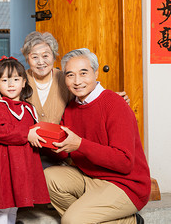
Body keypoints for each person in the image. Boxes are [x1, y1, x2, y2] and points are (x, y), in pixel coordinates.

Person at [0, 31, 129, 167]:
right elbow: (5, 104)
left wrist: (111, 99)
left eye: (46, 55)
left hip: (60, 152)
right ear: (27, 58)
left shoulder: (67, 77)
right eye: (34, 57)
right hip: (26, 150)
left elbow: (87, 94)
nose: (40, 62)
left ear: (54, 57)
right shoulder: (19, 80)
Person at [44, 48, 150, 224]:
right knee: (49, 177)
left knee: (71, 221)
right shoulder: (71, 108)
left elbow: (124, 162)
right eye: (70, 75)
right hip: (90, 177)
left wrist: (80, 144)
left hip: (125, 185)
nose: (77, 81)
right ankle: (105, 218)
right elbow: (63, 152)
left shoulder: (115, 104)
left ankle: (128, 221)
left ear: (96, 72)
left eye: (83, 73)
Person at [0, 56, 51, 224]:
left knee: (16, 201)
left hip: (23, 162)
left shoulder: (29, 108)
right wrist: (26, 135)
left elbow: (37, 131)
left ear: (24, 82)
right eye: (5, 80)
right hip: (5, 162)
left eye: (16, 79)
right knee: (3, 202)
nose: (11, 84)